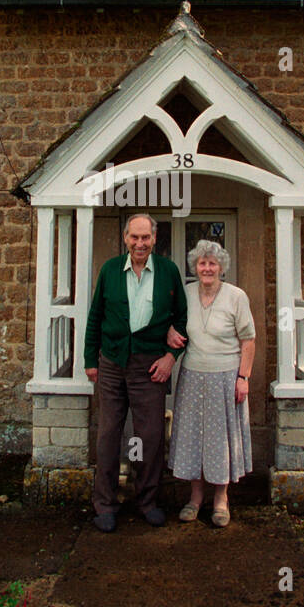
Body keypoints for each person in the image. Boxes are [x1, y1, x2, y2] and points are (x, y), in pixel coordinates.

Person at [83, 213, 188, 533]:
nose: (140, 243)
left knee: (151, 436)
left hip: (151, 367)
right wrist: (90, 359)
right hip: (112, 363)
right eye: (134, 237)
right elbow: (95, 316)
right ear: (126, 239)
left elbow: (182, 320)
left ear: (155, 239)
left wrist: (171, 356)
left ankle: (147, 501)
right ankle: (105, 504)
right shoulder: (110, 270)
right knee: (108, 435)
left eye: (146, 238)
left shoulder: (169, 271)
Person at [166, 240, 255, 528]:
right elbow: (174, 321)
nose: (206, 268)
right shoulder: (186, 293)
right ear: (195, 266)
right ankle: (194, 498)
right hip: (192, 375)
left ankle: (221, 500)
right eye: (202, 263)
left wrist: (243, 378)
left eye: (212, 263)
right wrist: (169, 329)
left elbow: (249, 340)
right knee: (193, 438)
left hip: (226, 376)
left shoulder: (236, 296)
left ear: (221, 267)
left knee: (221, 441)